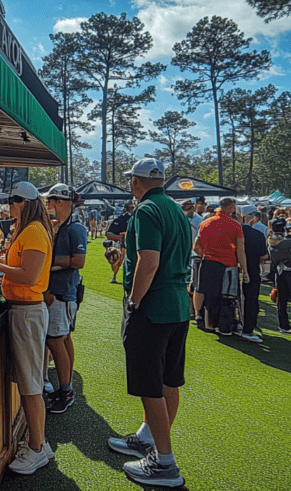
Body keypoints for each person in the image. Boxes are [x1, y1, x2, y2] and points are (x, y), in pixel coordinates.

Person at [107, 158, 191, 488]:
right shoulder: (174, 209)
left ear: (137, 182)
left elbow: (149, 260)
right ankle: (150, 440)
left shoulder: (145, 210)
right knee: (169, 380)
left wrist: (134, 300)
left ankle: (165, 462)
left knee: (150, 385)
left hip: (153, 308)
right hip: (178, 307)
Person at [0, 182, 54, 475]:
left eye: (15, 200)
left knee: (32, 386)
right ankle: (39, 443)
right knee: (28, 382)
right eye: (11, 199)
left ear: (28, 203)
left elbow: (29, 274)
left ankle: (36, 448)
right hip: (23, 311)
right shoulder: (26, 229)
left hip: (28, 312)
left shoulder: (34, 230)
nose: (11, 204)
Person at [42, 183, 87, 414]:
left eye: (50, 201)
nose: (47, 205)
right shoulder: (60, 226)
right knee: (64, 338)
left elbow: (79, 261)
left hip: (62, 293)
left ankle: (66, 391)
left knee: (55, 340)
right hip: (61, 292)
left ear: (60, 203)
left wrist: (50, 264)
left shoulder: (75, 228)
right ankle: (66, 386)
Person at [193, 197, 247, 335]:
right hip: (228, 265)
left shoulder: (205, 223)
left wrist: (206, 253)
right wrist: (244, 269)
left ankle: (209, 325)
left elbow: (196, 247)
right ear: (231, 207)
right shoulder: (235, 225)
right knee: (227, 298)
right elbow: (240, 249)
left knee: (210, 296)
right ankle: (225, 327)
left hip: (208, 262)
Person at [240, 207, 269, 343]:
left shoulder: (229, 231)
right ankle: (248, 328)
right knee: (251, 300)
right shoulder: (257, 234)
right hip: (251, 271)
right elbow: (264, 256)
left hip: (231, 269)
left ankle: (228, 324)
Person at [104, 202, 134, 284]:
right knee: (116, 258)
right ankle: (115, 275)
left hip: (136, 245)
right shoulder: (121, 219)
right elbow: (109, 234)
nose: (130, 209)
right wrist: (122, 238)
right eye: (129, 207)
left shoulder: (139, 218)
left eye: (132, 207)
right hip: (122, 244)